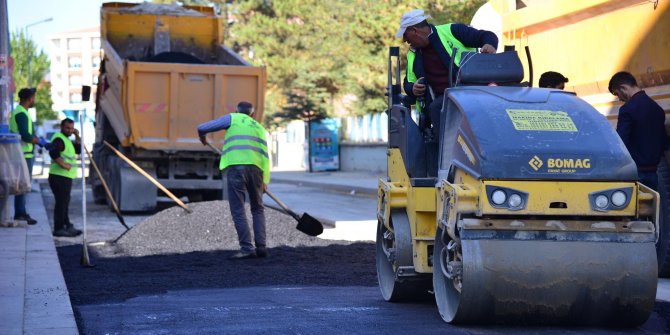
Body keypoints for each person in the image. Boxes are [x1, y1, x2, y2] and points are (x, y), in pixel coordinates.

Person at [396, 9, 498, 137]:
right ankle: (445, 151)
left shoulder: (452, 31)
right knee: (436, 107)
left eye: (405, 35)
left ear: (415, 31)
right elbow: (408, 82)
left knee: (437, 107)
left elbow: (486, 36)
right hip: (442, 100)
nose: (405, 40)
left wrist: (490, 44)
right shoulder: (413, 53)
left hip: (468, 91)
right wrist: (412, 88)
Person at [197, 102, 270, 259]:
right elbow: (265, 156)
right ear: (252, 114)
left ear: (237, 111)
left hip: (237, 170)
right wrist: (265, 180)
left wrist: (202, 137)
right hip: (257, 170)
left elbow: (202, 127)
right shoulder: (259, 127)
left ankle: (247, 249)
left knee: (238, 209)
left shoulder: (232, 118)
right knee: (258, 208)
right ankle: (261, 247)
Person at [609, 71, 668, 190]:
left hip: (635, 173)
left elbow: (621, 142)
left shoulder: (627, 110)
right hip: (654, 171)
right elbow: (664, 143)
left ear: (623, 88)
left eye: (617, 94)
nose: (619, 99)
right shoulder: (657, 109)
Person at [9, 88, 50, 225]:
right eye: (34, 97)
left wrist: (39, 140)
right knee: (23, 184)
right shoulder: (21, 113)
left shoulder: (23, 112)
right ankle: (20, 213)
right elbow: (26, 136)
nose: (34, 100)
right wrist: (40, 142)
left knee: (24, 184)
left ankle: (21, 212)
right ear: (30, 98)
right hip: (23, 154)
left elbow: (29, 133)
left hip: (24, 153)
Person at [48, 118, 82, 237]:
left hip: (65, 176)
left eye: (72, 128)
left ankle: (67, 225)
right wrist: (63, 164)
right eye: (67, 128)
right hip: (59, 176)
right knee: (61, 203)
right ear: (62, 127)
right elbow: (53, 152)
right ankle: (58, 228)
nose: (70, 130)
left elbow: (79, 149)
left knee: (65, 202)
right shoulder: (59, 139)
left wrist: (77, 135)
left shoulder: (67, 140)